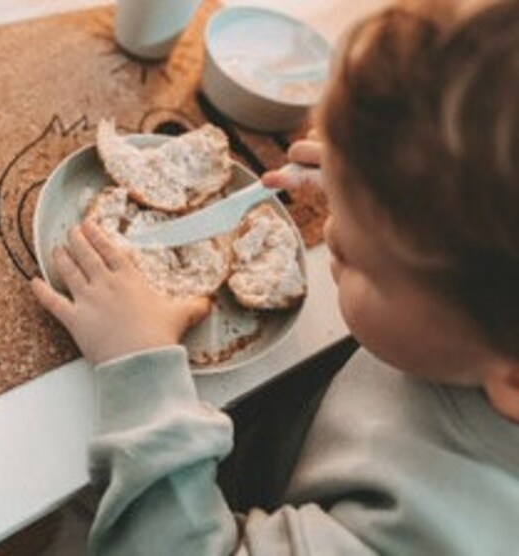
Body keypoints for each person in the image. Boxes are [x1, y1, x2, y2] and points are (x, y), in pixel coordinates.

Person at [30, 0, 519, 553]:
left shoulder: (433, 534)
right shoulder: (484, 317)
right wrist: (376, 179)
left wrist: (137, 366)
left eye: (360, 259)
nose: (330, 234)